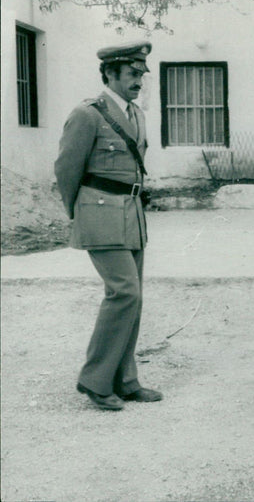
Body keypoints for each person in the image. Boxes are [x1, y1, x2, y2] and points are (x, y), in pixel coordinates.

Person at [54, 41, 162, 411]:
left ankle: (126, 381)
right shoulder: (88, 114)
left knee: (135, 297)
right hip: (99, 212)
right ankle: (95, 380)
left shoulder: (136, 114)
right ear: (110, 74)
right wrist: (79, 212)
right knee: (124, 293)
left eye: (141, 76)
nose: (138, 82)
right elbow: (66, 169)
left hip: (131, 213)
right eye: (132, 75)